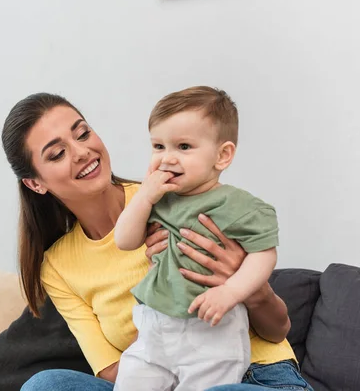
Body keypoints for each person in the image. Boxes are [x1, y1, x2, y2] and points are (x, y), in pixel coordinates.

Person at [1, 92, 313, 390]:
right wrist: (165, 338)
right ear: (35, 183)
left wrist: (243, 287)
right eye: (58, 153)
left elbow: (278, 330)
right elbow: (111, 370)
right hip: (161, 378)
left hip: (258, 375)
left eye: (82, 134)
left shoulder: (179, 196)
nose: (82, 152)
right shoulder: (58, 266)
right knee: (45, 386)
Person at [113, 86, 280, 390]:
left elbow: (264, 255)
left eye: (184, 147)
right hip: (154, 330)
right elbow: (124, 240)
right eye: (158, 146)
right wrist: (144, 197)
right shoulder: (156, 198)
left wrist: (230, 291)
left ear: (222, 155)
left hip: (211, 331)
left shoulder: (240, 206)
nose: (167, 158)